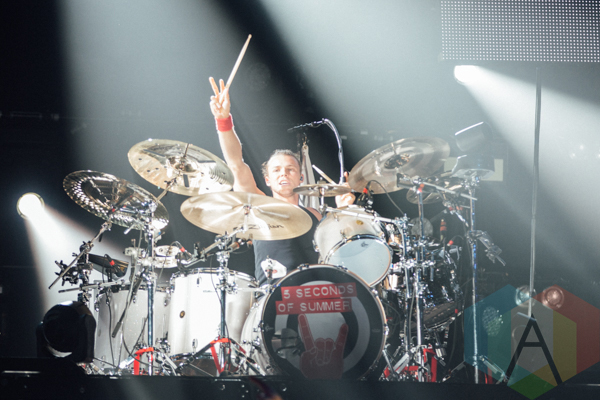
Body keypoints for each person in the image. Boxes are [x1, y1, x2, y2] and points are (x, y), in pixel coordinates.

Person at [209, 77, 354, 285]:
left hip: (313, 290)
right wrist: (223, 121)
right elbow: (235, 164)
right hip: (273, 293)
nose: (283, 174)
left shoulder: (315, 214)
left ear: (301, 178)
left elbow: (337, 248)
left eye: (290, 169)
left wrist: (344, 211)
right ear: (267, 180)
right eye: (276, 170)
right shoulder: (260, 207)